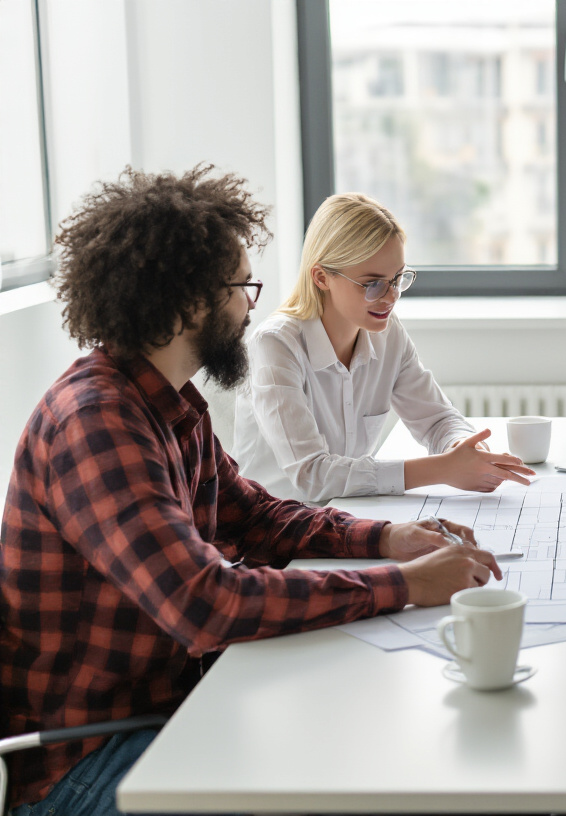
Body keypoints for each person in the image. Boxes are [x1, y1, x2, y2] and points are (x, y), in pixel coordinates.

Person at [0, 166, 502, 814]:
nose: (251, 306)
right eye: (241, 287)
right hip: (90, 761)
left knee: (368, 742)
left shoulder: (170, 404)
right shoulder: (97, 424)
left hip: (170, 709)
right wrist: (404, 584)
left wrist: (387, 537)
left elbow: (257, 517)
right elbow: (206, 603)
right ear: (189, 303)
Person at [233, 192, 533, 503]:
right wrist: (443, 469)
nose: (391, 297)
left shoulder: (387, 334)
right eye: (374, 284)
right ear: (322, 277)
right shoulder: (275, 345)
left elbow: (438, 420)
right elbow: (312, 475)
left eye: (397, 279)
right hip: (274, 524)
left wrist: (464, 448)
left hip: (346, 515)